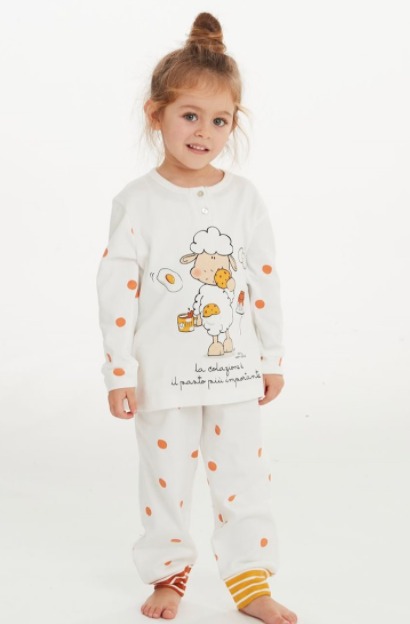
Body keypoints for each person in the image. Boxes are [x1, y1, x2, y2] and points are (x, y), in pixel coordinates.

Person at [96, 11, 298, 624]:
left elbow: (263, 281)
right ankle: (169, 574)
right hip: (162, 375)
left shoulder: (244, 199)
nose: (204, 132)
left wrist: (271, 358)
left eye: (219, 120)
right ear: (155, 114)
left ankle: (249, 577)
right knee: (165, 478)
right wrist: (119, 370)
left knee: (243, 475)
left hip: (234, 372)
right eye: (190, 115)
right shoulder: (137, 201)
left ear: (233, 123)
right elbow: (117, 290)